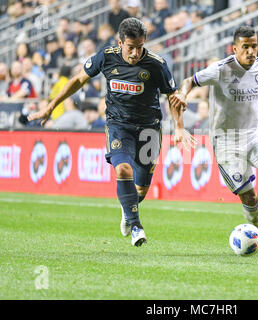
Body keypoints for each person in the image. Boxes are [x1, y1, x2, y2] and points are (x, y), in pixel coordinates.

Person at [29, 18, 195, 247]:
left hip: (149, 129)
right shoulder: (106, 56)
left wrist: (178, 126)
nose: (136, 53)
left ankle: (128, 209)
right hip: (119, 125)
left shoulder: (157, 64)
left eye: (140, 47)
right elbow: (78, 80)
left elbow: (173, 96)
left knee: (141, 189)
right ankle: (136, 225)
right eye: (131, 47)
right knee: (123, 168)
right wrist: (51, 105)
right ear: (120, 42)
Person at [171, 26, 258, 255]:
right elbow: (190, 80)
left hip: (253, 134)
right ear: (234, 48)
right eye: (245, 46)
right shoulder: (220, 69)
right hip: (225, 141)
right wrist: (183, 94)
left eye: (254, 45)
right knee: (247, 195)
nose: (251, 50)